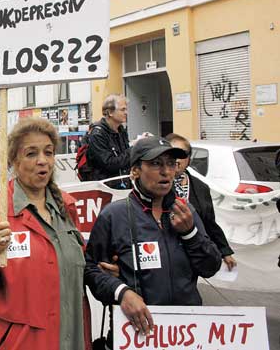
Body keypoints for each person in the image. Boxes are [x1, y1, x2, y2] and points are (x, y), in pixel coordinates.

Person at [0, 117, 91, 350]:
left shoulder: (66, 207)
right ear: (13, 161)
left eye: (48, 153)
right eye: (31, 154)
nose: (43, 161)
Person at [84, 137, 222, 339]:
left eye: (170, 164)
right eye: (156, 164)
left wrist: (190, 234)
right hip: (134, 334)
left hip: (185, 334)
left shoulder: (185, 212)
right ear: (135, 170)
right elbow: (90, 269)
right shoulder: (114, 215)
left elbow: (211, 267)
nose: (166, 172)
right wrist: (121, 292)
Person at [166, 133, 236, 270]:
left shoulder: (200, 187)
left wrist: (225, 251)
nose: (178, 160)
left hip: (193, 249)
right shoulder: (155, 184)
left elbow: (209, 222)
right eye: (174, 154)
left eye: (183, 154)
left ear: (189, 159)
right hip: (167, 249)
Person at [86, 94, 131, 181]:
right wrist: (132, 150)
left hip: (123, 183)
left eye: (126, 109)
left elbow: (124, 157)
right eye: (123, 109)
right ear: (110, 112)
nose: (126, 113)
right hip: (106, 187)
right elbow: (109, 164)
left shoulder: (121, 130)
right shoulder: (97, 134)